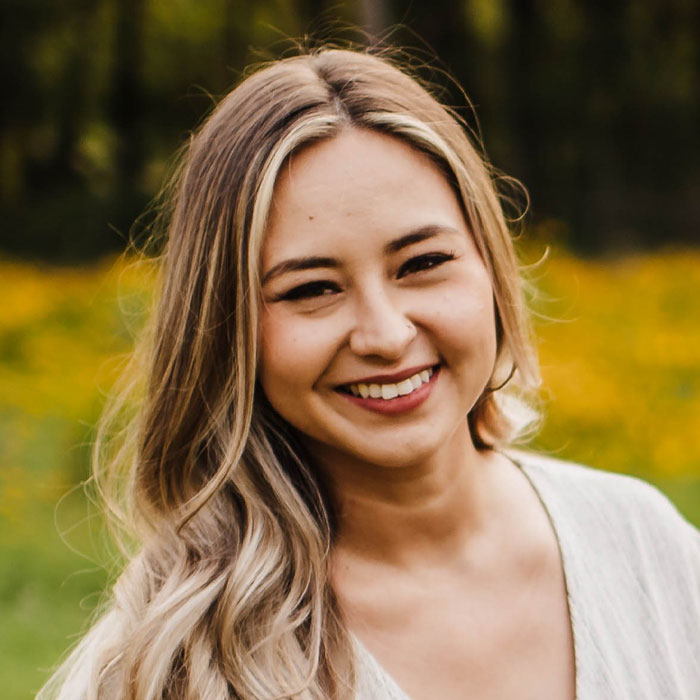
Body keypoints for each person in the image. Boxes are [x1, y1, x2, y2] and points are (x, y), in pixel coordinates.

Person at [40, 48, 700, 700]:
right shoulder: (164, 666)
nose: (386, 336)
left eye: (421, 263)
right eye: (312, 289)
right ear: (224, 332)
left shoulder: (646, 546)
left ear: (492, 268)